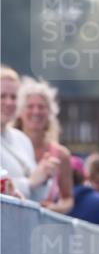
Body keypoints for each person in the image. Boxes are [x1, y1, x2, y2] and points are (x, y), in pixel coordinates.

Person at [15, 76, 74, 214]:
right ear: (19, 111)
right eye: (30, 106)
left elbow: (68, 199)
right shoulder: (6, 146)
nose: (36, 111)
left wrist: (54, 208)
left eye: (41, 107)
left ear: (50, 113)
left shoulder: (60, 155)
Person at [0, 66, 59, 202]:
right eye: (2, 96)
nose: (9, 102)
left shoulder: (22, 140)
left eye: (13, 97)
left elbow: (36, 198)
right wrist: (30, 182)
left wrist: (44, 176)